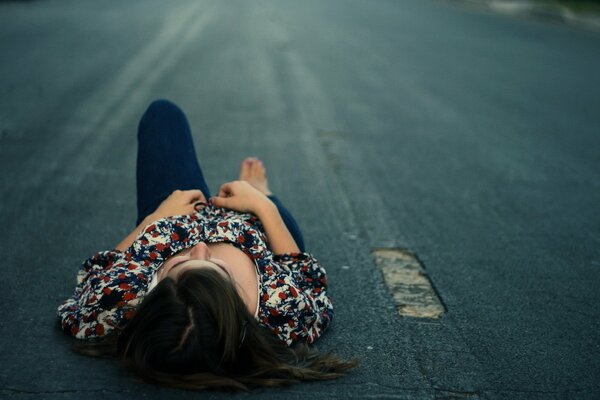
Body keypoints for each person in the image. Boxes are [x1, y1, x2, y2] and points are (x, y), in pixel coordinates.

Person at [57, 99, 356, 390]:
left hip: (174, 218)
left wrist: (155, 216)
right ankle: (261, 189)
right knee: (275, 213)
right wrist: (263, 205)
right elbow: (304, 271)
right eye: (218, 268)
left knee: (163, 114)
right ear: (235, 306)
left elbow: (101, 268)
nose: (201, 248)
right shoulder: (282, 311)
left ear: (151, 300)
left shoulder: (118, 303)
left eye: (179, 264)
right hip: (253, 227)